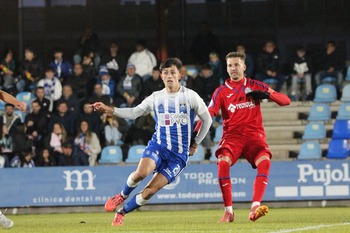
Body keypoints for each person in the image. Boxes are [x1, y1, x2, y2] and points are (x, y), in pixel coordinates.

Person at [91, 57, 212, 226]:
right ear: (161, 76)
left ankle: (122, 212)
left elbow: (207, 120)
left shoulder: (191, 97)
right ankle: (122, 195)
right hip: (159, 146)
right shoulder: (156, 97)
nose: (169, 75)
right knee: (141, 174)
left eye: (172, 72)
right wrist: (110, 109)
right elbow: (134, 112)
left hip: (178, 156)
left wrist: (196, 142)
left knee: (149, 191)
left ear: (179, 75)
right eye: (166, 73)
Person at [194, 52, 291, 223]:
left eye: (236, 65)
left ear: (244, 67)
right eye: (230, 65)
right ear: (226, 68)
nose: (233, 68)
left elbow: (286, 101)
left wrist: (268, 94)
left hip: (254, 136)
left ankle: (255, 207)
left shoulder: (255, 85)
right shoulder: (221, 91)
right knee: (223, 162)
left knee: (265, 161)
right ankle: (228, 212)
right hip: (232, 136)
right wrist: (195, 135)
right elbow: (209, 114)